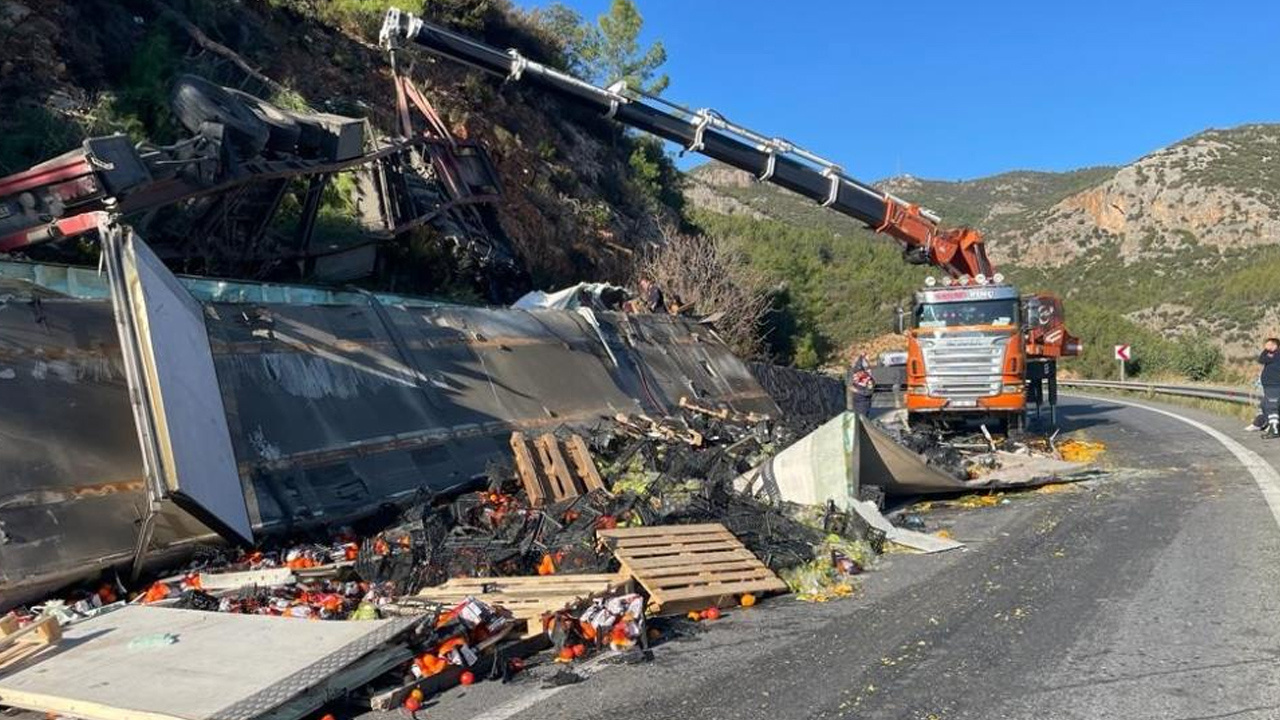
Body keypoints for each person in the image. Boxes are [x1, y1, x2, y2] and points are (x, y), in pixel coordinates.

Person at [1246, 337, 1280, 434]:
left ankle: (1274, 429)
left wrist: (1266, 350)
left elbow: (1262, 359)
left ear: (1275, 346)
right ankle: (1259, 424)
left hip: (1274, 385)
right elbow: (1261, 359)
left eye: (1268, 345)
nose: (1266, 347)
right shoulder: (1272, 355)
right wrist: (1267, 350)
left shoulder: (1276, 355)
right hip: (1269, 385)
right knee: (1264, 405)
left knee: (1271, 407)